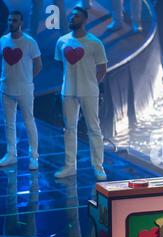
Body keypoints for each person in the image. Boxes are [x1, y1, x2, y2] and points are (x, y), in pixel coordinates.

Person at [54, 6, 108, 180]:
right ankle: (70, 166)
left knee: (94, 129)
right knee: (69, 129)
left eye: (76, 16)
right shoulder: (62, 41)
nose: (72, 18)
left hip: (89, 91)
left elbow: (102, 68)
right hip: (68, 91)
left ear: (85, 20)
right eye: (71, 16)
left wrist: (92, 84)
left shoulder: (94, 42)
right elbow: (59, 64)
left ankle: (98, 167)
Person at [0, 11, 42, 170]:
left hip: (24, 90)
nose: (11, 22)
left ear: (21, 23)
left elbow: (39, 65)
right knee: (9, 123)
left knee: (29, 122)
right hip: (6, 89)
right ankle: (11, 154)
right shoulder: (3, 40)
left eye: (14, 20)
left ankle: (34, 157)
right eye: (9, 20)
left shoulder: (29, 42)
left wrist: (26, 79)